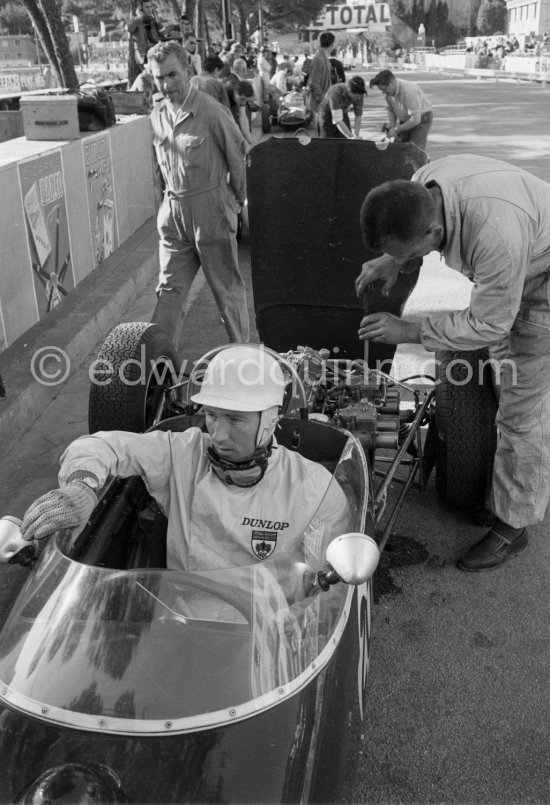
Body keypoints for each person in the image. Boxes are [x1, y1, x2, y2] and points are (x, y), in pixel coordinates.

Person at [20, 345, 350, 595]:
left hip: (268, 647)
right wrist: (82, 486)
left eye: (235, 419)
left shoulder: (317, 491)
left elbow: (324, 595)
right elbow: (101, 445)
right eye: (212, 416)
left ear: (269, 419)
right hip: (177, 630)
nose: (218, 435)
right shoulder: (184, 453)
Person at [355, 154, 550, 573]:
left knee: (523, 408)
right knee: (497, 370)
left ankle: (514, 524)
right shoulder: (423, 183)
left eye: (411, 250)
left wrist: (407, 331)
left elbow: (489, 323)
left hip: (544, 280)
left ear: (435, 232)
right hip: (515, 260)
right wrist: (396, 258)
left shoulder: (495, 235)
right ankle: (498, 474)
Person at [147, 41, 249, 349]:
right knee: (168, 292)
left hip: (211, 213)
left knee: (226, 293)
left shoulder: (212, 112)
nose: (166, 84)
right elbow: (158, 169)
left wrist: (234, 202)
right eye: (159, 77)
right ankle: (156, 371)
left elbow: (239, 160)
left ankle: (244, 360)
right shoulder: (157, 115)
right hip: (173, 215)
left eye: (172, 75)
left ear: (188, 72)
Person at [369, 69, 433, 152]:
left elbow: (415, 120)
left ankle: (421, 164)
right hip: (406, 120)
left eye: (384, 89)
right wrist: (392, 125)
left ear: (391, 83)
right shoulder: (389, 93)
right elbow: (391, 110)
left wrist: (396, 130)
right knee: (399, 148)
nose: (383, 92)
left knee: (416, 151)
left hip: (421, 120)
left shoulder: (409, 91)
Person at [318, 75, 366, 139]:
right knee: (328, 141)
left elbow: (358, 116)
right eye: (357, 96)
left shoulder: (359, 94)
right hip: (326, 113)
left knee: (345, 142)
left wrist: (356, 135)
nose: (359, 98)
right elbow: (338, 120)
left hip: (343, 111)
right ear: (349, 91)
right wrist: (351, 137)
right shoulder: (335, 92)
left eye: (360, 96)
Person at [306, 31, 335, 129]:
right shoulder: (319, 59)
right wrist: (324, 101)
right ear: (332, 44)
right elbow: (314, 83)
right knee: (322, 134)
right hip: (320, 105)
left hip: (324, 104)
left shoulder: (323, 58)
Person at [127, 0, 167, 68]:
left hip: (155, 52)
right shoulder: (136, 21)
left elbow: (163, 34)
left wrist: (157, 21)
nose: (149, 9)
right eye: (146, 7)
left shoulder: (153, 20)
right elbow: (129, 28)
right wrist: (139, 17)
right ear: (141, 9)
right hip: (144, 56)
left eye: (150, 7)